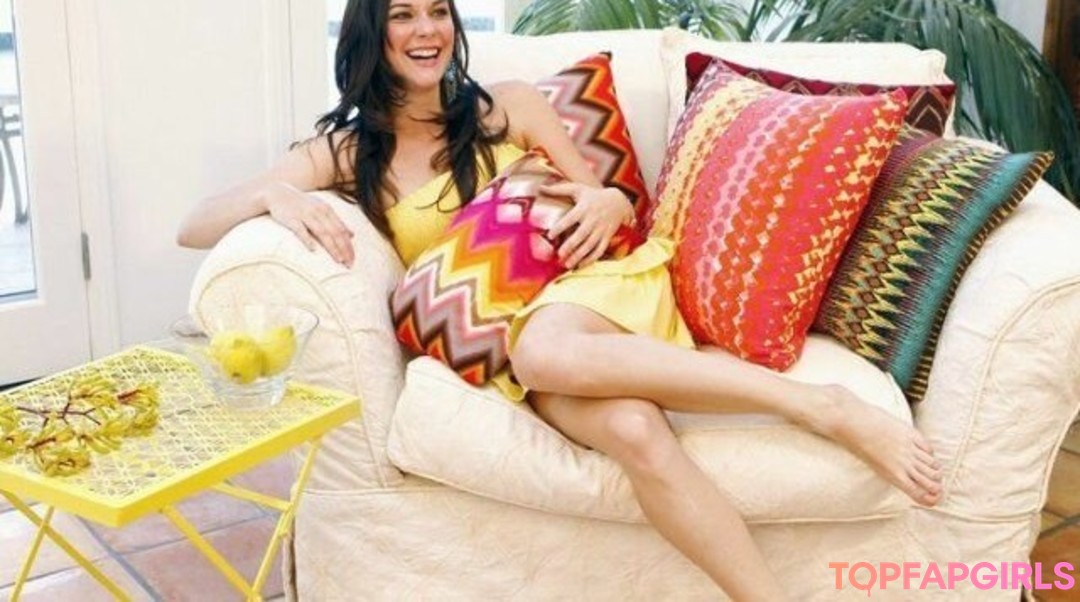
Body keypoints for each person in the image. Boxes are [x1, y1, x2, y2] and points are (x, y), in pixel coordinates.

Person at [177, 0, 943, 597]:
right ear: (371, 34)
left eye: (438, 11)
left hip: (594, 289)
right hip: (515, 345)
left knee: (545, 346)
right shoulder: (348, 152)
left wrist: (607, 202)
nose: (427, 29)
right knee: (635, 431)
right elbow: (193, 225)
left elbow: (603, 196)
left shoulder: (506, 105)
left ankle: (821, 407)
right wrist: (278, 195)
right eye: (403, 14)